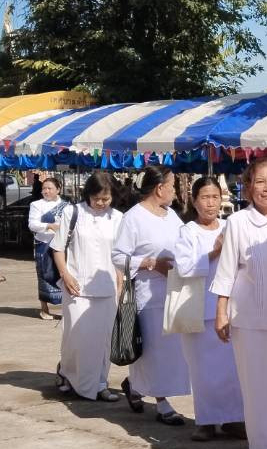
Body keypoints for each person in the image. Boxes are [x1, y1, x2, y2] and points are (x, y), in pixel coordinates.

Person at [210, 157, 267, 449]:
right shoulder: (238, 222)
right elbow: (226, 269)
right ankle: (266, 448)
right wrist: (221, 311)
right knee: (259, 385)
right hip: (250, 318)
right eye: (260, 181)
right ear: (248, 187)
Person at [111, 166, 191, 423]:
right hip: (149, 294)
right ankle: (162, 403)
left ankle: (135, 385)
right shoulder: (134, 217)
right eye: (172, 186)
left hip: (174, 291)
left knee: (170, 350)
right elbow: (118, 256)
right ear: (160, 188)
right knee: (154, 350)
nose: (175, 191)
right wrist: (148, 263)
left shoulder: (171, 216)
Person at [171, 176, 246, 441]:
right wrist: (214, 253)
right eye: (205, 197)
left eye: (215, 197)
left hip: (228, 307)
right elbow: (184, 267)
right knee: (202, 369)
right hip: (199, 308)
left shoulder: (231, 226)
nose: (211, 203)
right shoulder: (188, 231)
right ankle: (205, 420)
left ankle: (233, 418)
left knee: (232, 369)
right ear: (194, 201)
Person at [51, 170, 124, 403]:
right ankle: (68, 373)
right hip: (77, 286)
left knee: (103, 339)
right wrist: (66, 274)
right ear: (88, 194)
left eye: (106, 199)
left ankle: (100, 383)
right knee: (76, 337)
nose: (101, 203)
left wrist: (120, 279)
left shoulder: (118, 218)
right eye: (97, 199)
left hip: (108, 286)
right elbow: (58, 247)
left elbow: (121, 253)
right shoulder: (73, 213)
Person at [28, 177, 66, 319]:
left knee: (64, 274)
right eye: (44, 188)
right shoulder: (36, 205)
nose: (46, 191)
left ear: (58, 189)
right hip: (43, 244)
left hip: (62, 246)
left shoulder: (67, 205)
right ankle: (44, 308)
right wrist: (49, 226)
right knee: (44, 275)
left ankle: (66, 308)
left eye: (50, 188)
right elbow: (32, 225)